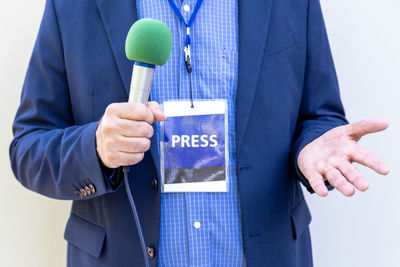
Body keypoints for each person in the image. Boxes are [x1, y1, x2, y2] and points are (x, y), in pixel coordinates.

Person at [9, 0, 389, 266]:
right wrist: (94, 148)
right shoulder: (71, 5)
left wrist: (309, 148)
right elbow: (28, 147)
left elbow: (318, 115)